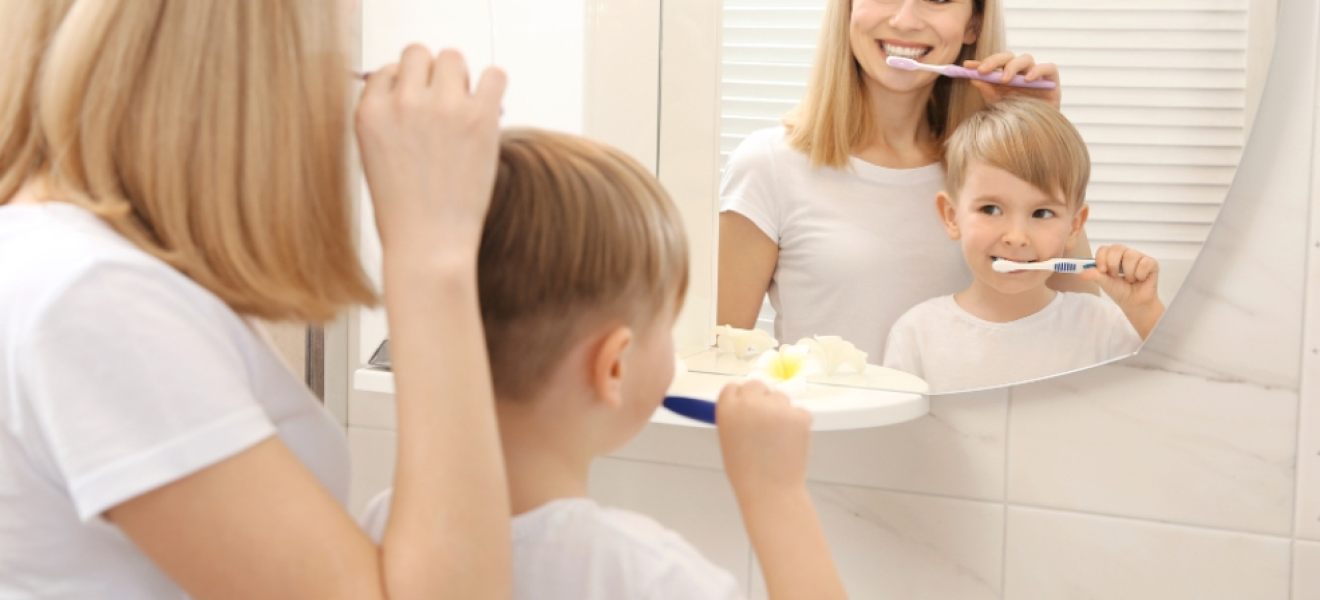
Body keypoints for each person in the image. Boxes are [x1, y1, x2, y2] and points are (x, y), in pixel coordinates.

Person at [0, 1, 513, 597]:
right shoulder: (97, 297)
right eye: (329, 60)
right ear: (247, 81)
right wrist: (432, 250)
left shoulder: (70, 265)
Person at [361, 128, 848, 600]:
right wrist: (777, 495)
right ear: (613, 366)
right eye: (667, 325)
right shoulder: (647, 576)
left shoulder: (385, 524)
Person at [718, 0, 1091, 360]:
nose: (905, 19)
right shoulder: (768, 165)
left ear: (973, 24)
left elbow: (1083, 329)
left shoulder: (989, 174)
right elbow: (715, 359)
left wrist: (1040, 146)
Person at [882, 97, 1164, 393]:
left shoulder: (1103, 327)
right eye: (991, 209)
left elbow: (1187, 396)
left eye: (1042, 213)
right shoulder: (917, 335)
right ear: (952, 216)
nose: (1016, 237)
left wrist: (1146, 311)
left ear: (1074, 226)